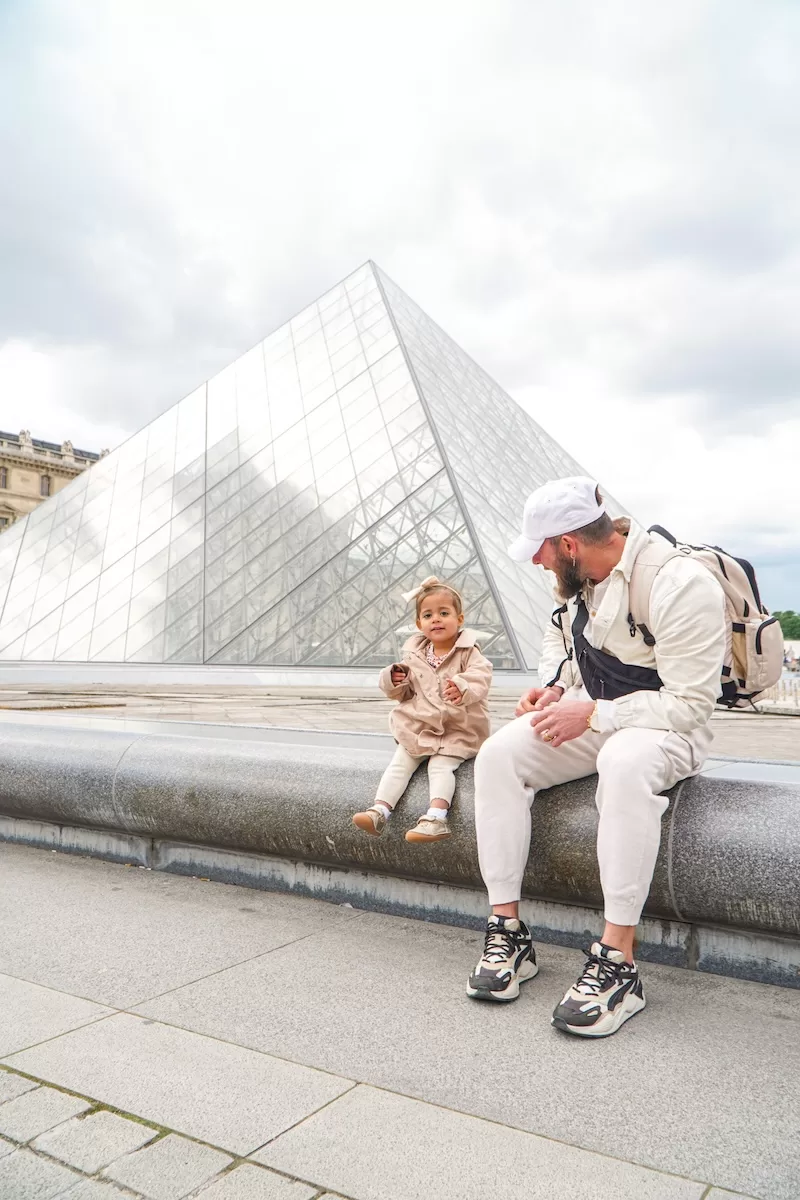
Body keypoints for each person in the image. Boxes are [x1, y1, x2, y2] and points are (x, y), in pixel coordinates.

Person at [466, 477, 726, 1037]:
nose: (534, 562)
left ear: (568, 543)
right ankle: (508, 931)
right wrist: (555, 689)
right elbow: (559, 639)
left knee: (625, 764)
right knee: (497, 756)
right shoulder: (579, 578)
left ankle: (618, 962)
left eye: (538, 549)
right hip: (599, 712)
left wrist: (588, 716)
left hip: (667, 728)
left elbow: (690, 706)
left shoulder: (680, 584)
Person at [352, 576, 493, 844]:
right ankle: (379, 810)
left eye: (444, 613)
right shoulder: (414, 655)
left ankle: (436, 817)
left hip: (456, 729)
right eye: (428, 615)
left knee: (441, 768)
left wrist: (462, 687)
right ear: (419, 624)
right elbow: (403, 693)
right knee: (399, 764)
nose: (436, 619)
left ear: (459, 619)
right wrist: (393, 679)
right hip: (418, 727)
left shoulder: (468, 653)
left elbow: (481, 676)